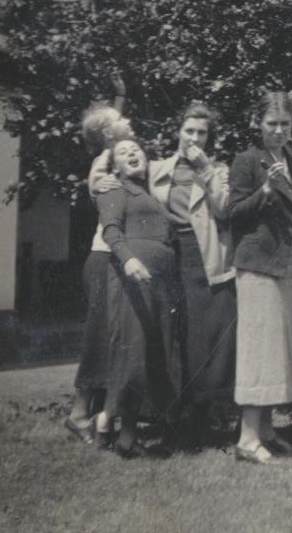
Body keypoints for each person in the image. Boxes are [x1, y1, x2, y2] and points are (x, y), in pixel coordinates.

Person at [227, 91, 292, 465]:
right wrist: (264, 190)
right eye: (272, 124)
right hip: (259, 265)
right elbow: (232, 212)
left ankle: (265, 431)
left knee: (276, 353)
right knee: (259, 353)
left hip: (287, 266)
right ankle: (247, 439)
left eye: (285, 125)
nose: (279, 131)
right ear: (257, 124)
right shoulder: (247, 161)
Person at [148, 101, 236, 447]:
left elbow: (225, 210)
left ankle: (199, 422)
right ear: (178, 132)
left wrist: (207, 170)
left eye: (202, 133)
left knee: (207, 341)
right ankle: (170, 421)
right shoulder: (156, 169)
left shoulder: (219, 170)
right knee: (172, 339)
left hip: (205, 258)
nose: (195, 138)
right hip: (169, 258)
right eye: (189, 131)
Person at [96, 138, 182, 458]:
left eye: (136, 149)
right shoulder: (113, 188)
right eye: (123, 151)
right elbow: (111, 231)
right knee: (134, 352)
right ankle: (125, 438)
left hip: (160, 281)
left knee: (154, 353)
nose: (132, 153)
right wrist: (129, 260)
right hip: (133, 278)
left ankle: (115, 427)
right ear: (114, 166)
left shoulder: (150, 194)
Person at [65, 98, 132, 448]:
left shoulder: (115, 155)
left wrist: (118, 96)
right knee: (99, 338)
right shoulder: (104, 163)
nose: (129, 120)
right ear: (108, 133)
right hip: (106, 258)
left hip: (115, 259)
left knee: (112, 338)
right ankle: (78, 415)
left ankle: (100, 416)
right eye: (122, 118)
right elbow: (101, 193)